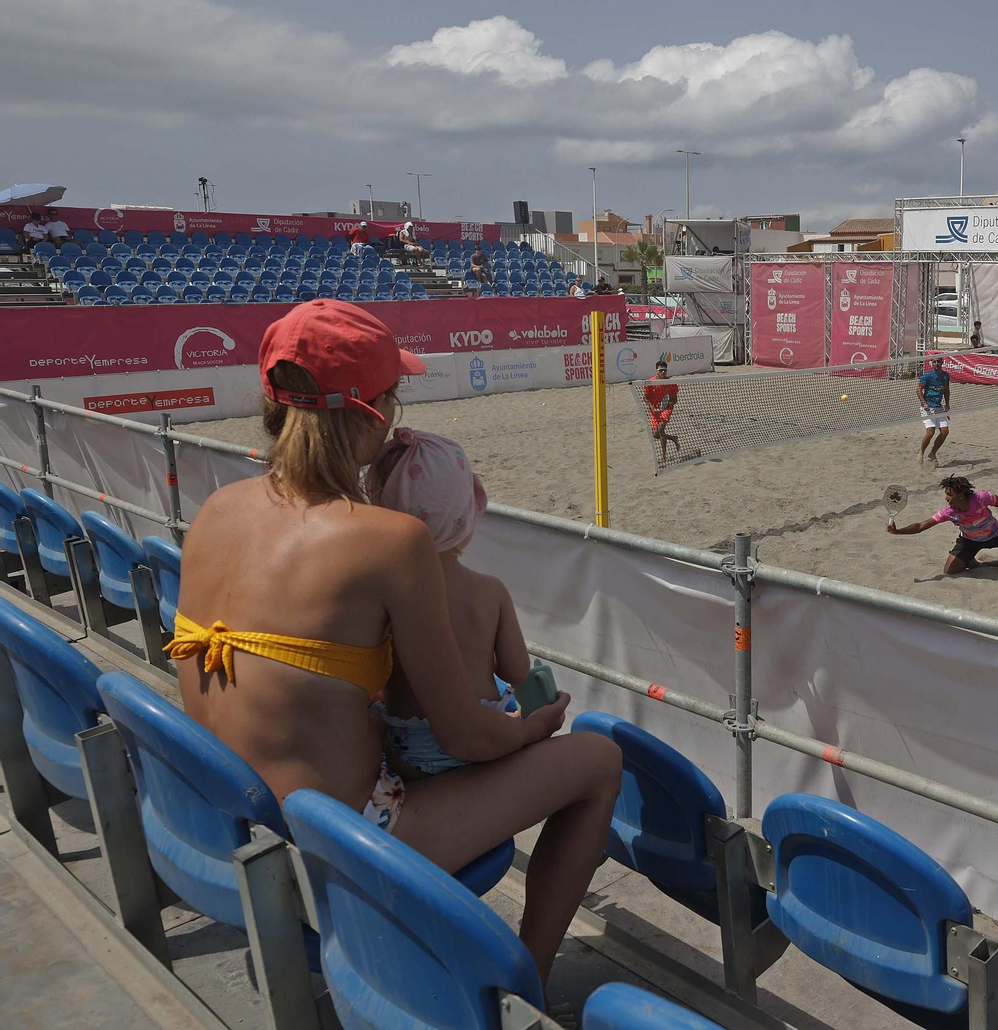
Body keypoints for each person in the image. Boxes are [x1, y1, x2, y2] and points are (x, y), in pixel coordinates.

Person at [166, 299, 621, 984]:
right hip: (338, 838)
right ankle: (524, 983)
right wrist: (532, 729)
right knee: (598, 759)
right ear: (375, 413)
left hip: (216, 816)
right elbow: (467, 737)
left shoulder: (217, 508)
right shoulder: (389, 540)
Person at [367, 429, 523, 777]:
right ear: (465, 517)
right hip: (482, 743)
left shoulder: (379, 595)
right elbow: (516, 671)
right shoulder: (489, 591)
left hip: (404, 749)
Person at [641, 358, 680, 463]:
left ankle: (664, 456)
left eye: (665, 370)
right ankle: (673, 438)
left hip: (666, 409)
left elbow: (675, 399)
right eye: (661, 370)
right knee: (656, 434)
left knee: (661, 428)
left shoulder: (670, 383)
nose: (663, 372)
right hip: (654, 410)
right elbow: (645, 397)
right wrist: (653, 408)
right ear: (656, 370)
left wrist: (667, 405)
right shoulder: (650, 382)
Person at [916, 354, 952, 467]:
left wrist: (947, 404)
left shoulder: (946, 375)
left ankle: (932, 453)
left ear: (942, 362)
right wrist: (924, 403)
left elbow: (946, 390)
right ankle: (921, 451)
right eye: (934, 362)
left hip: (939, 406)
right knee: (930, 432)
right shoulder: (927, 376)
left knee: (945, 432)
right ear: (932, 363)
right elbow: (918, 390)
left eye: (938, 362)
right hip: (928, 407)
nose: (936, 364)